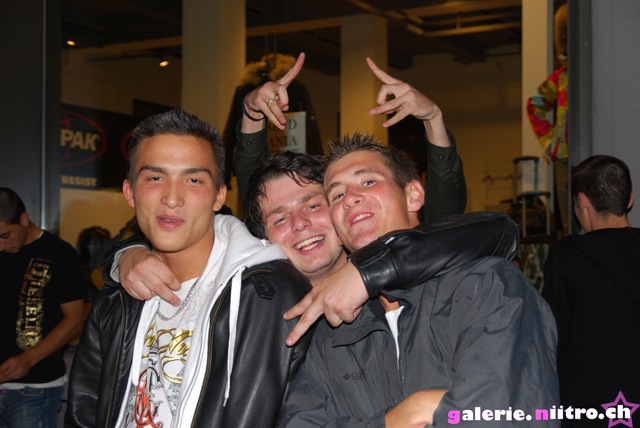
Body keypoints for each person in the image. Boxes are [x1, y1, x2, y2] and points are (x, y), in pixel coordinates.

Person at [108, 55, 515, 350]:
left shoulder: (401, 288)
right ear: (262, 237)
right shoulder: (262, 304)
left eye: (315, 204)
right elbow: (191, 225)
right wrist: (126, 255)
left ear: (340, 216)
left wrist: (433, 120)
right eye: (279, 218)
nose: (299, 223)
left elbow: (451, 226)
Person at [279, 135, 560, 427]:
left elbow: (505, 415)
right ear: (338, 231)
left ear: (413, 195)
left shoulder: (485, 286)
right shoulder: (333, 330)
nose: (350, 198)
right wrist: (401, 417)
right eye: (337, 195)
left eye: (368, 181)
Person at [64, 109, 313, 428]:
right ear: (130, 192)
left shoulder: (269, 294)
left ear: (219, 196)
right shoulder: (117, 297)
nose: (172, 198)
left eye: (193, 180)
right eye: (155, 178)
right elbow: (85, 410)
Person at [542, 155, 640, 428]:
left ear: (581, 201)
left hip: (588, 410)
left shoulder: (568, 256)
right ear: (629, 200)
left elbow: (551, 340)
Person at [0, 187, 85, 428]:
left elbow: (75, 320)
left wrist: (28, 359)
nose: (0, 245)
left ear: (24, 219)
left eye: (5, 235)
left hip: (34, 388)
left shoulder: (60, 253)